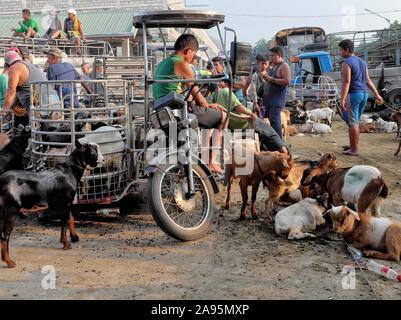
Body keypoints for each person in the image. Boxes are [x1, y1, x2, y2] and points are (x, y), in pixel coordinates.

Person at [153, 34, 227, 174]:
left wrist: (206, 106)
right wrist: (208, 105)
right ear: (188, 51)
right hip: (177, 110)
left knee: (207, 114)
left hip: (161, 110)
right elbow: (199, 98)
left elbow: (180, 92)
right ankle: (211, 162)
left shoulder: (163, 63)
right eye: (194, 55)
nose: (193, 59)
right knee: (223, 116)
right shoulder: (182, 64)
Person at [209, 80, 288, 154]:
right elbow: (238, 107)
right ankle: (283, 151)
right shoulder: (225, 91)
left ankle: (271, 152)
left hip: (229, 124)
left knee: (263, 133)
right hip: (242, 122)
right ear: (224, 84)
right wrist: (250, 113)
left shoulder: (213, 97)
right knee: (268, 130)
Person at [339, 39, 384, 156]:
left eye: (340, 50)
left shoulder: (346, 62)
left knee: (352, 122)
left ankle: (354, 150)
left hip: (353, 94)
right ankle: (353, 146)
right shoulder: (362, 62)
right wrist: (377, 94)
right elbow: (368, 80)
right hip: (364, 94)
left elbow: (346, 82)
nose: (340, 52)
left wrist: (342, 99)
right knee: (355, 121)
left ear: (347, 50)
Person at [1, 50, 47, 127]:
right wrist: (10, 108)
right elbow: (16, 95)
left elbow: (11, 91)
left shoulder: (14, 68)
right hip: (52, 100)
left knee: (39, 134)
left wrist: (5, 111)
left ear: (6, 64)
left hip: (39, 105)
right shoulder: (30, 65)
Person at [262, 47, 291, 139]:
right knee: (272, 122)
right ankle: (276, 144)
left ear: (278, 55)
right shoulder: (275, 66)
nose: (270, 58)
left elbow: (287, 81)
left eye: (272, 55)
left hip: (276, 101)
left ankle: (280, 145)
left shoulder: (284, 66)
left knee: (275, 122)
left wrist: (271, 79)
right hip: (270, 101)